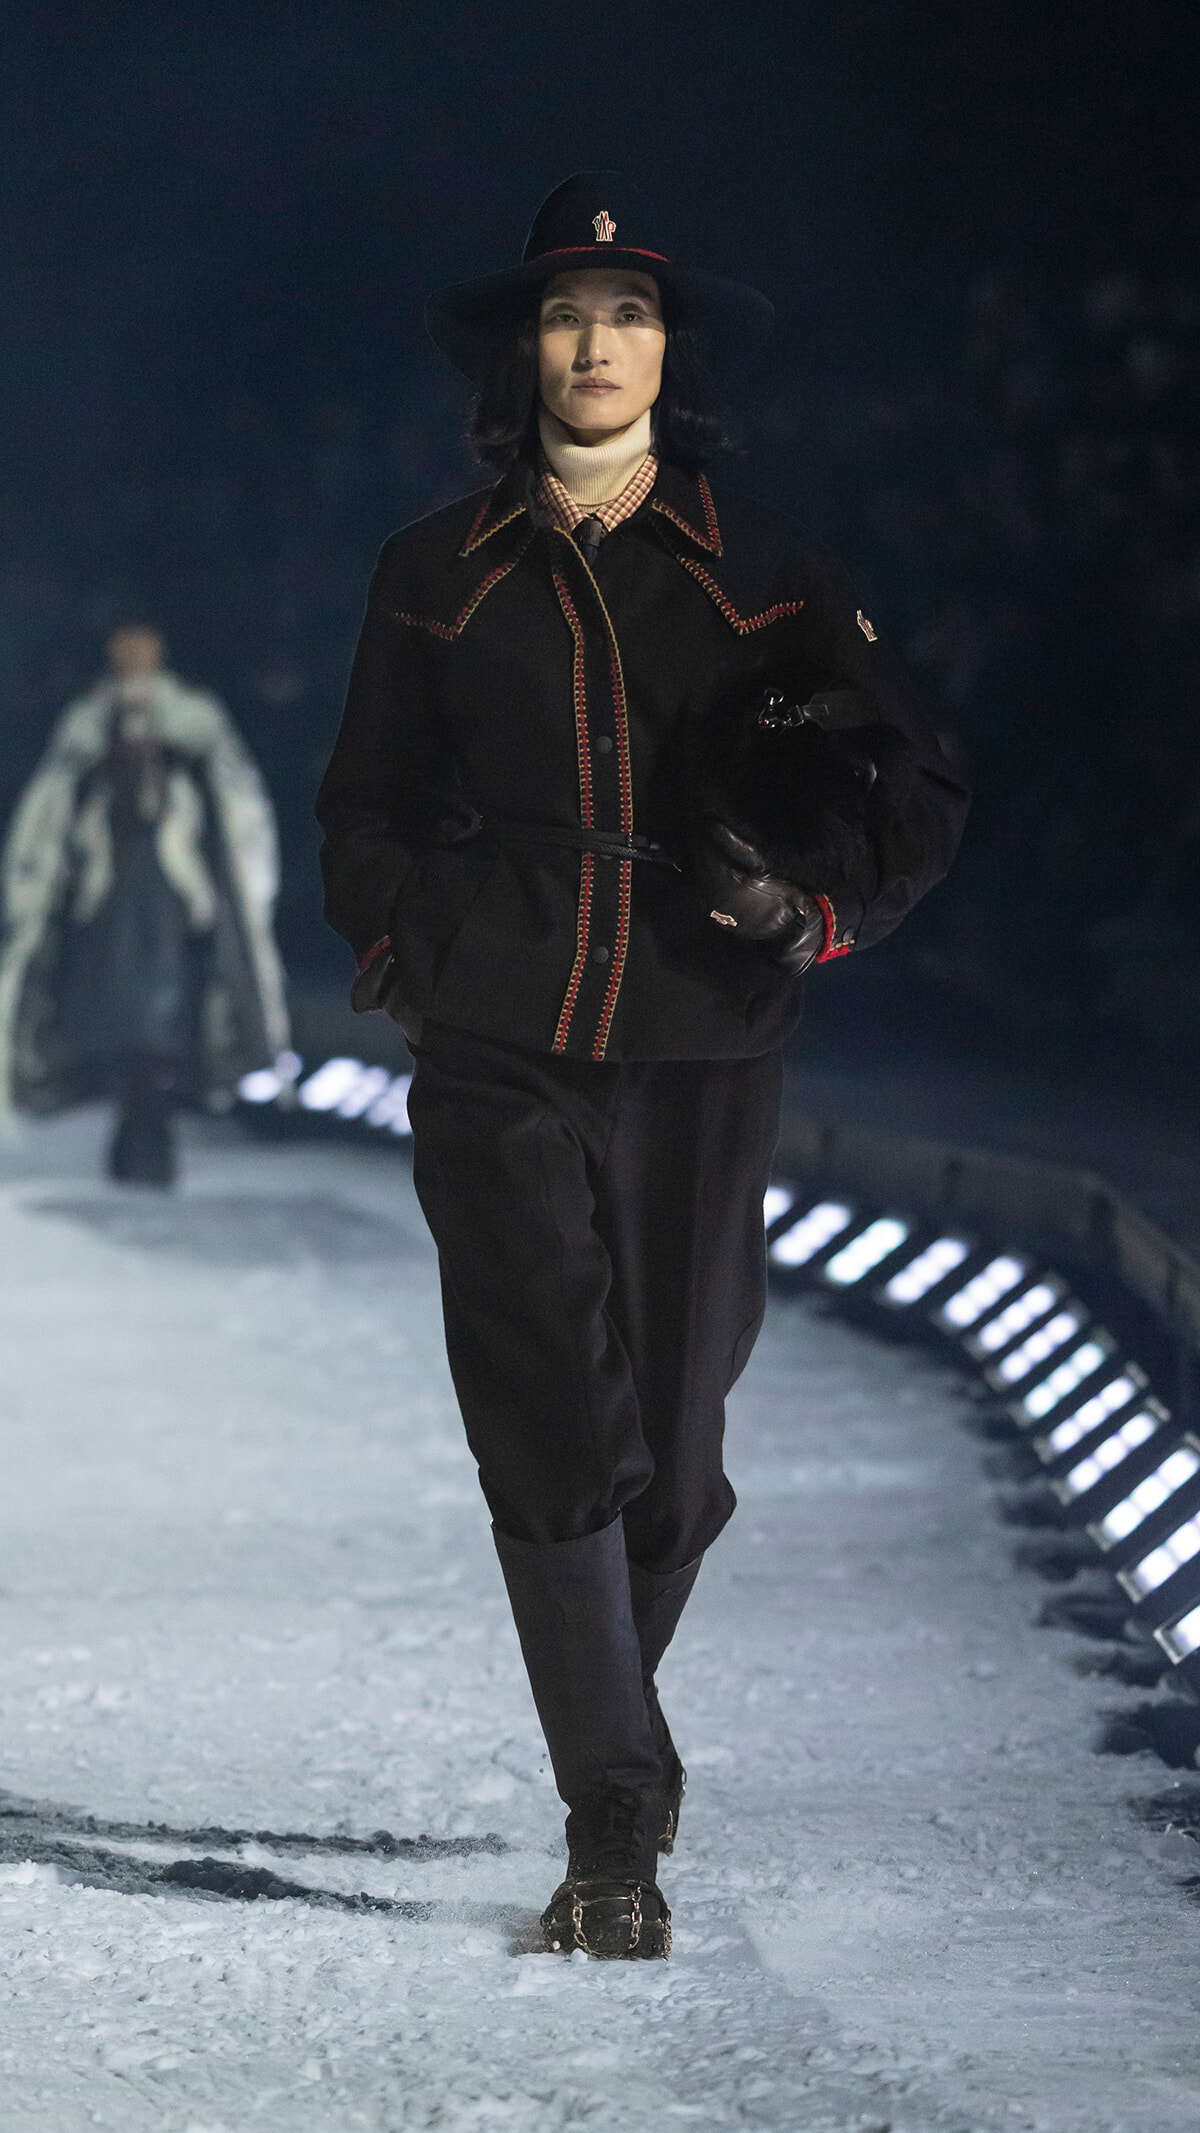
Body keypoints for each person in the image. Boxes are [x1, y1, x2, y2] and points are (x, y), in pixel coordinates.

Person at [317, 173, 970, 1958]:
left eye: (628, 314)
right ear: (522, 350)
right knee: (547, 1413)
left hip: (702, 1026)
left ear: (672, 354)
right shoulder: (434, 571)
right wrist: (412, 947)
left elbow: (920, 783)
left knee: (675, 1461)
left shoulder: (770, 574)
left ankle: (619, 1750)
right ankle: (612, 1819)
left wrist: (813, 911)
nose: (595, 344)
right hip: (497, 1024)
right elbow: (362, 806)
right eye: (564, 313)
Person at [0, 624, 290, 1184]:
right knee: (118, 1015)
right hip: (108, 893)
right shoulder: (89, 718)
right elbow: (55, 802)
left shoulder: (193, 717)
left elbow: (231, 795)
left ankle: (153, 1130)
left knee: (166, 1014)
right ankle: (132, 1128)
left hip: (172, 893)